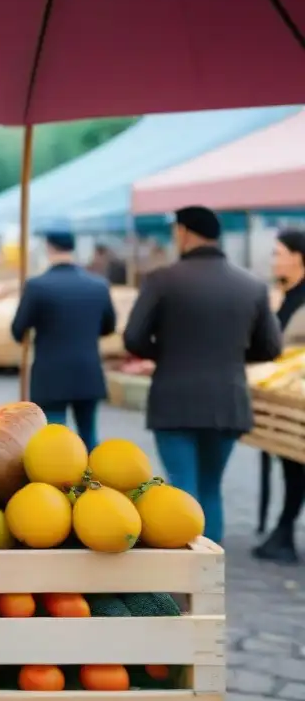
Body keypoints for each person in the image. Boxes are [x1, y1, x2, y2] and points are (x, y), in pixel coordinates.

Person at [124, 206, 282, 545]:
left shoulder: (162, 280)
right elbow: (270, 347)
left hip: (174, 398)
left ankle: (186, 579)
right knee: (211, 487)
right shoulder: (252, 285)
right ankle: (212, 573)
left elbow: (133, 338)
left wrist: (165, 354)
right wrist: (229, 356)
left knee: (182, 487)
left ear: (182, 232)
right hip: (228, 400)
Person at [11, 232, 115, 449]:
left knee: (55, 443)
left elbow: (18, 330)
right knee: (89, 438)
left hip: (51, 376)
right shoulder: (98, 285)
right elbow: (109, 327)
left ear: (49, 247)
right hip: (88, 372)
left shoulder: (37, 286)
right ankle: (92, 481)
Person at [253, 229, 305, 564]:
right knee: (291, 465)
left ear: (298, 256)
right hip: (284, 397)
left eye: (278, 252)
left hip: (297, 396)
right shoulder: (285, 295)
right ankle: (282, 531)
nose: (273, 259)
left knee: (296, 467)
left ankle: (284, 531)